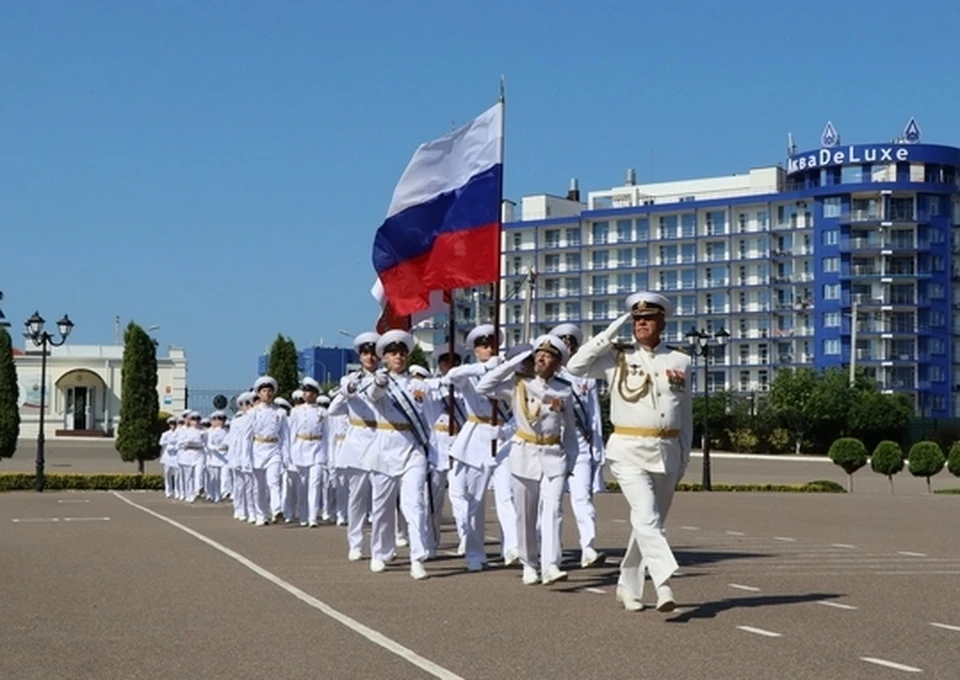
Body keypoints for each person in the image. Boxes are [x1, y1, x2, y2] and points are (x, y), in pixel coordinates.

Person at [567, 291, 692, 613]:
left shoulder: (679, 361)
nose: (641, 324)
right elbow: (575, 366)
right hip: (627, 450)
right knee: (647, 517)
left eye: (647, 319)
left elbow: (686, 412)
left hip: (667, 450)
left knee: (649, 524)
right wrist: (609, 333)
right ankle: (664, 584)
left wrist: (685, 455)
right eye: (636, 319)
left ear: (662, 322)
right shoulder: (615, 357)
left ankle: (627, 585)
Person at [477, 335, 579, 585]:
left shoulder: (563, 389)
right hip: (524, 455)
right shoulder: (518, 384)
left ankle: (551, 565)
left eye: (549, 355)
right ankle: (528, 562)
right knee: (525, 514)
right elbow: (483, 387)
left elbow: (571, 431)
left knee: (554, 510)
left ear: (558, 362)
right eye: (539, 354)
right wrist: (511, 364)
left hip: (553, 456)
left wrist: (571, 463)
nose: (542, 358)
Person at [357, 329, 433, 580]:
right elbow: (372, 395)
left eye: (402, 353)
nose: (398, 357)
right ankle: (380, 552)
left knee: (415, 505)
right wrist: (379, 382)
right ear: (384, 357)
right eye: (393, 353)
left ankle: (417, 557)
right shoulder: (377, 381)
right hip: (385, 448)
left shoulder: (417, 384)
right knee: (382, 507)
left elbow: (428, 415)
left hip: (412, 447)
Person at [549, 323, 607, 569]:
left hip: (581, 446)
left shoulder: (586, 377)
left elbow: (594, 416)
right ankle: (552, 552)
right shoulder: (547, 378)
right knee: (552, 503)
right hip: (555, 446)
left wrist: (597, 450)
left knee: (583, 499)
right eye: (564, 343)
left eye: (571, 343)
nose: (569, 346)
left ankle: (589, 548)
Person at [327, 332, 381, 560]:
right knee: (357, 497)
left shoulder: (386, 377)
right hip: (358, 440)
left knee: (381, 499)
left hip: (381, 438)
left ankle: (380, 546)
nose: (370, 357)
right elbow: (333, 410)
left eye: (373, 353)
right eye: (366, 353)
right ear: (360, 356)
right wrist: (346, 391)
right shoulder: (350, 380)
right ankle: (356, 542)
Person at [245, 376, 291, 525]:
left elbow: (285, 436)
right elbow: (247, 436)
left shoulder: (280, 413)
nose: (267, 393)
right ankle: (261, 514)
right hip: (258, 449)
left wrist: (286, 456)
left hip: (274, 449)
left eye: (270, 391)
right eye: (264, 391)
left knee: (274, 481)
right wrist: (246, 458)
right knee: (258, 486)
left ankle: (276, 509)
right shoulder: (253, 413)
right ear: (258, 393)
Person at [288, 377, 327, 527]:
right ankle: (303, 515)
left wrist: (327, 455)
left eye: (310, 391)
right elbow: (292, 432)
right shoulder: (296, 411)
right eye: (305, 391)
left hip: (317, 448)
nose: (307, 394)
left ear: (316, 394)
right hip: (300, 448)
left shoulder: (322, 412)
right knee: (302, 485)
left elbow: (327, 434)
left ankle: (313, 517)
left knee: (315, 483)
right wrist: (290, 453)